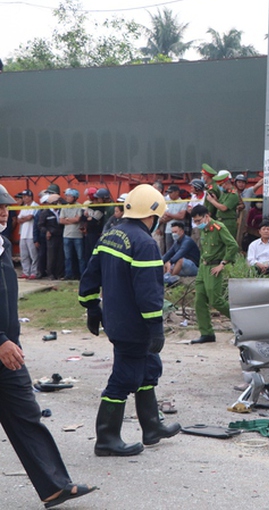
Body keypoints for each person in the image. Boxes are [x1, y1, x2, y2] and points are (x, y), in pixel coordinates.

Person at [0, 183, 97, 508]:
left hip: (8, 353)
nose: (3, 213)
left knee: (27, 414)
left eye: (5, 208)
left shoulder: (0, 244)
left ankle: (55, 486)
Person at [78, 184, 181, 457]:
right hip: (134, 325)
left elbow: (90, 275)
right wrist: (156, 327)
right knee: (124, 379)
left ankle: (152, 426)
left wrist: (91, 306)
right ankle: (107, 438)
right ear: (153, 215)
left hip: (116, 320)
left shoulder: (111, 235)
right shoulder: (145, 243)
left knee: (147, 368)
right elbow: (149, 293)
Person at [190, 204, 240, 344]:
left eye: (199, 221)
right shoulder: (204, 230)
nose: (197, 224)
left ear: (207, 216)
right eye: (195, 221)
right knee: (199, 300)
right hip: (203, 267)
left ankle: (242, 322)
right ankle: (206, 333)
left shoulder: (218, 227)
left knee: (215, 300)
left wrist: (223, 264)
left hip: (215, 267)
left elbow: (233, 245)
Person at [162, 221, 200, 285]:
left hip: (193, 267)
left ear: (182, 231)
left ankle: (171, 281)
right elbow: (168, 254)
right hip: (181, 267)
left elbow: (180, 253)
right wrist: (160, 262)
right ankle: (163, 278)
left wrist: (170, 262)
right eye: (172, 232)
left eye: (175, 232)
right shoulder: (176, 242)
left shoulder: (187, 241)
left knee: (180, 260)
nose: (173, 234)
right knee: (165, 263)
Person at [206, 170, 241, 239]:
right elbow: (220, 204)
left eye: (221, 185)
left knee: (227, 243)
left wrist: (212, 201)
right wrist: (216, 200)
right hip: (220, 221)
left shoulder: (233, 194)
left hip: (228, 222)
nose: (221, 187)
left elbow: (224, 208)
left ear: (226, 183)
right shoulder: (224, 193)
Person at [60, 188, 85, 280]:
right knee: (67, 257)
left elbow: (77, 219)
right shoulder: (64, 207)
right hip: (66, 235)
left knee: (80, 257)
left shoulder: (79, 206)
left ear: (75, 197)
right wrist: (72, 220)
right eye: (66, 195)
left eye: (69, 196)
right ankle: (68, 274)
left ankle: (82, 274)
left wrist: (67, 219)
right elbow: (61, 220)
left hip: (77, 235)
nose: (67, 197)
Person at [38, 193, 65, 280]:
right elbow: (40, 225)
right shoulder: (45, 213)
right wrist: (46, 231)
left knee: (60, 255)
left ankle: (59, 273)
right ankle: (51, 274)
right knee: (51, 256)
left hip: (61, 235)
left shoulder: (61, 211)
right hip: (51, 236)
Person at [17, 189, 39, 279]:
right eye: (23, 197)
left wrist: (24, 218)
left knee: (34, 255)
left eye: (26, 196)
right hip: (23, 234)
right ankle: (25, 272)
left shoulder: (35, 206)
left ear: (30, 197)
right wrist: (24, 218)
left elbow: (30, 217)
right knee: (24, 255)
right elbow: (19, 220)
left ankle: (34, 272)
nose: (24, 198)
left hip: (31, 235)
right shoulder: (24, 207)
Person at [161, 185, 188, 251]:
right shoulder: (166, 201)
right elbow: (163, 216)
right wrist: (175, 216)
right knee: (169, 249)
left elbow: (181, 216)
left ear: (177, 192)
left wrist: (169, 215)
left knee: (179, 249)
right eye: (169, 193)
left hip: (179, 230)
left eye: (171, 192)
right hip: (168, 230)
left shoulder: (183, 202)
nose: (169, 194)